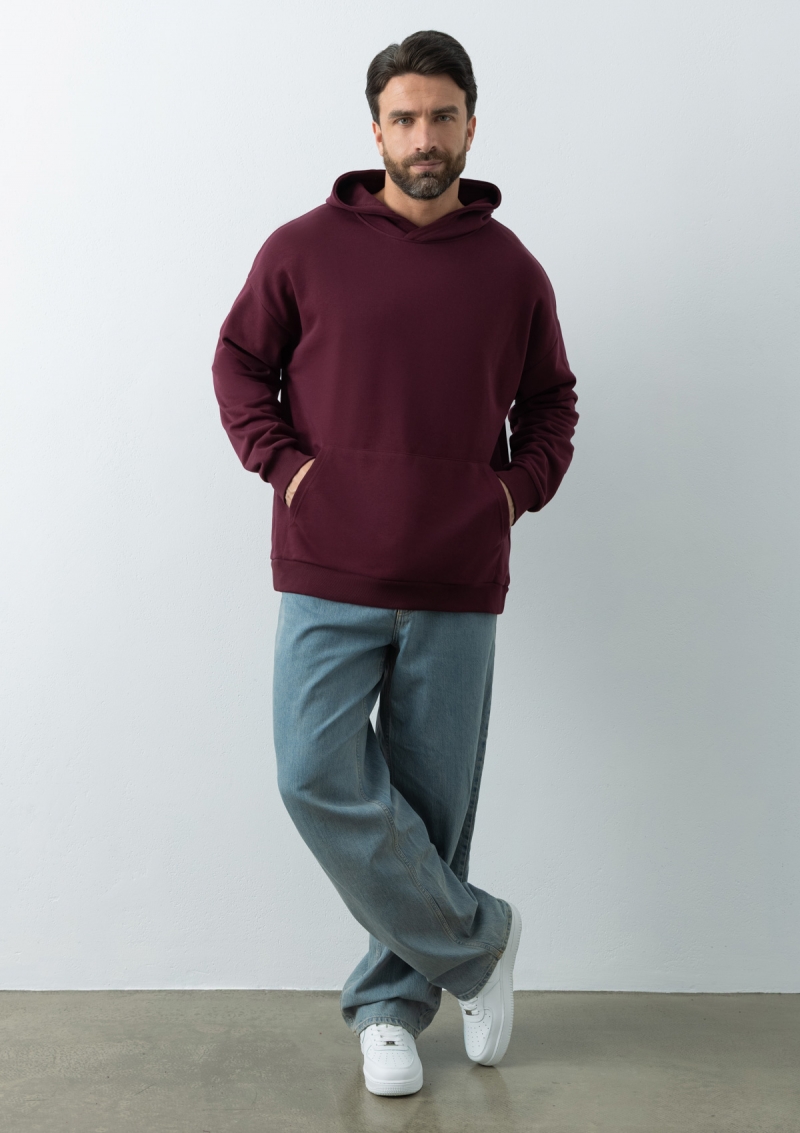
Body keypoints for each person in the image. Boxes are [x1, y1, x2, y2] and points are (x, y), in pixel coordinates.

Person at [211, 29, 578, 1097]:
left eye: (442, 117)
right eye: (404, 118)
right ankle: (480, 940)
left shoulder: (511, 271)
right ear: (375, 130)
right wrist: (289, 471)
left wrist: (507, 495)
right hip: (327, 565)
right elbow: (239, 365)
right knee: (313, 772)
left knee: (428, 802)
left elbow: (551, 404)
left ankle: (387, 1008)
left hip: (456, 577)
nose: (424, 137)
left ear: (471, 125)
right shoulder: (302, 249)